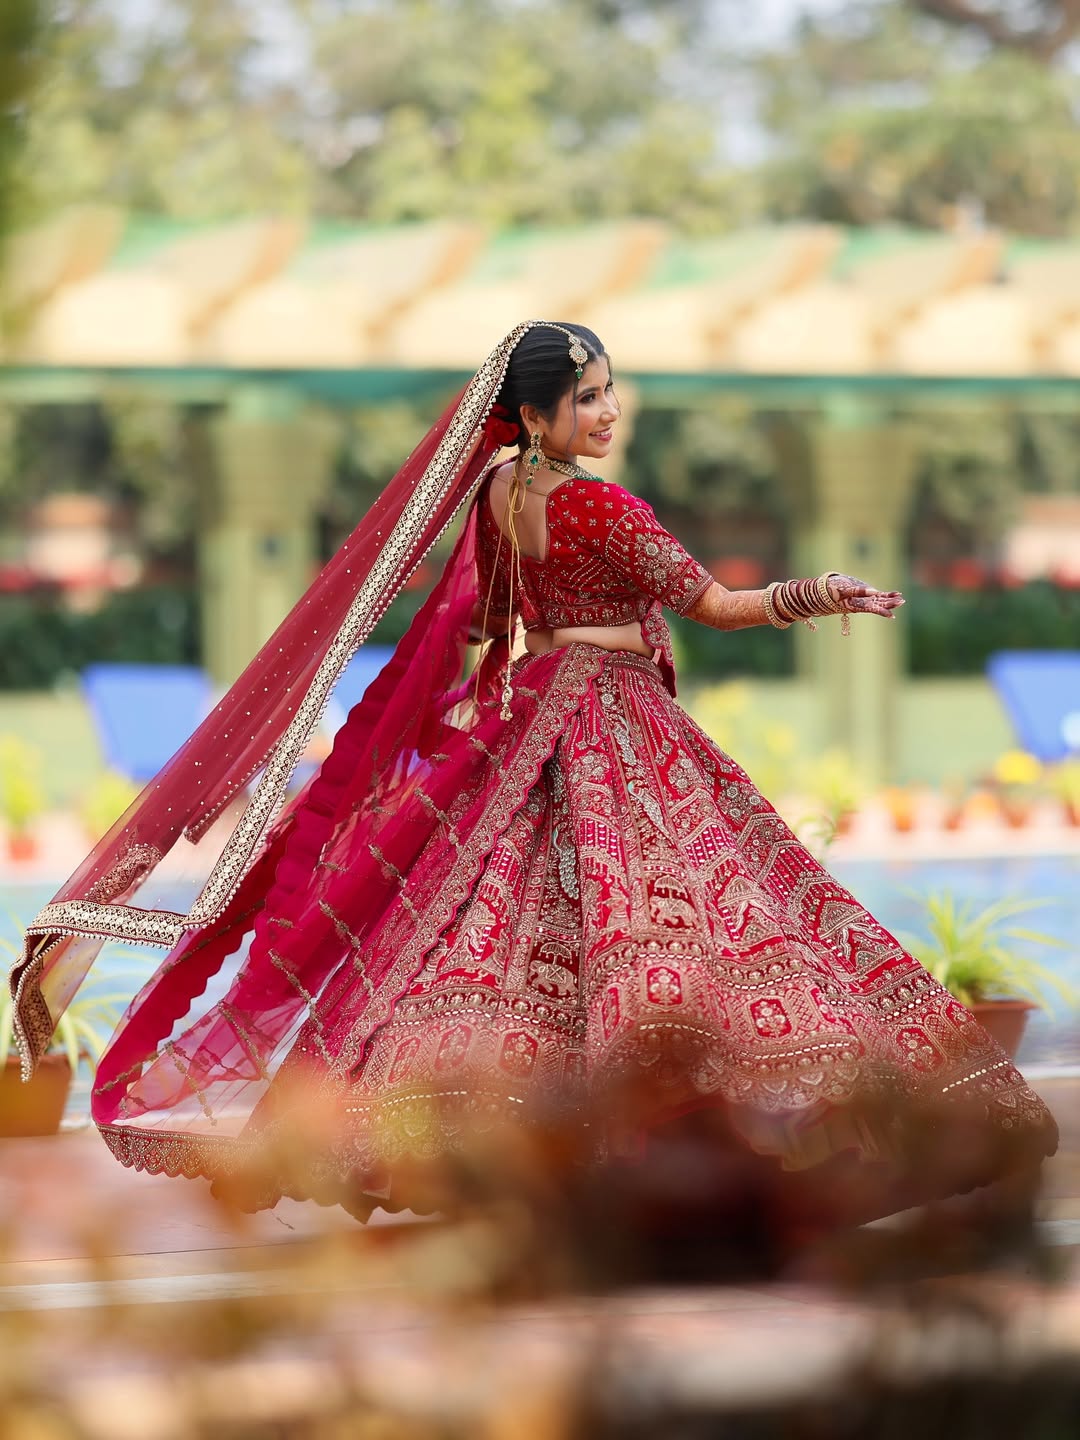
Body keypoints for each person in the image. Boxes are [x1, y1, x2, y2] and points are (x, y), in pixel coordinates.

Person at [9, 321, 1056, 1231]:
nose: (605, 411)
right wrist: (822, 591)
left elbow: (495, 626)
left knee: (499, 930)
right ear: (533, 413)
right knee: (703, 915)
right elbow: (718, 607)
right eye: (585, 397)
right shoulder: (604, 511)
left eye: (607, 391)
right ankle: (685, 1142)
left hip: (525, 724)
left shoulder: (497, 495)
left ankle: (486, 1142)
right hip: (614, 725)